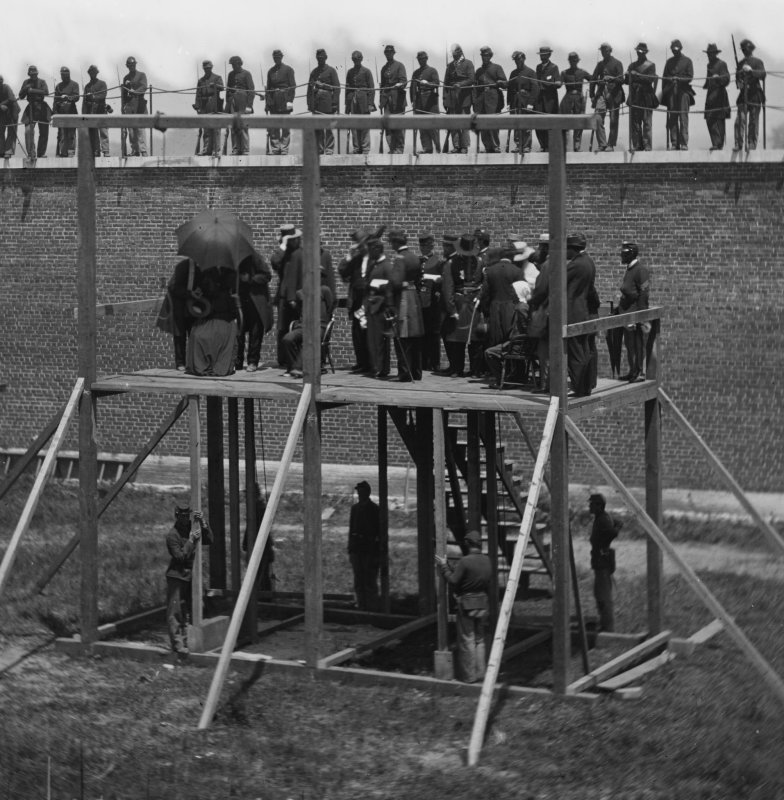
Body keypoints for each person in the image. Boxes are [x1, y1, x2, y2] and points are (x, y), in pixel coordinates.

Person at [436, 530, 491, 683]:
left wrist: (444, 566)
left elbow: (453, 580)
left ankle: (469, 677)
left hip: (467, 604)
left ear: (467, 544)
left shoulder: (465, 561)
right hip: (483, 603)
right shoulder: (487, 560)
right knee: (480, 640)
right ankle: (481, 673)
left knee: (467, 640)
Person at [165, 504, 212, 655]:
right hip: (177, 576)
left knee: (193, 608)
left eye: (187, 516)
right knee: (175, 612)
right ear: (177, 516)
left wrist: (203, 522)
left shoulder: (192, 527)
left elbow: (209, 539)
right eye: (182, 516)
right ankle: (178, 645)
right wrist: (191, 540)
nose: (185, 519)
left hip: (191, 576)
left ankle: (189, 641)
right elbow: (180, 556)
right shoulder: (173, 535)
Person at [280, 265, 335, 378]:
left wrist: (323, 320)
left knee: (310, 339)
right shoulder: (300, 293)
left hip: (319, 326)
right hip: (303, 326)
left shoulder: (325, 290)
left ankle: (299, 368)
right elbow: (299, 310)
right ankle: (294, 367)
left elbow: (330, 307)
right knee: (287, 339)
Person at [186, 265, 240, 376]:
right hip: (216, 318)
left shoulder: (227, 274)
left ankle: (206, 364)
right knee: (198, 335)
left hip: (219, 318)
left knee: (199, 334)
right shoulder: (208, 276)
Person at [338, 225, 377, 374]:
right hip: (356, 300)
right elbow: (343, 272)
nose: (361, 247)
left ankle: (372, 363)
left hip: (369, 299)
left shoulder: (374, 259)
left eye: (362, 244)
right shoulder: (356, 259)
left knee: (369, 331)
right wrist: (349, 255)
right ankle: (361, 362)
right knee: (357, 333)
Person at [388, 228, 424, 381]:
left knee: (402, 337)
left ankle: (404, 373)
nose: (391, 246)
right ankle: (417, 372)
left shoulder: (400, 258)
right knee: (415, 338)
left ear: (396, 243)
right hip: (414, 296)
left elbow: (396, 282)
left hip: (403, 298)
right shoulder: (414, 257)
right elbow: (419, 278)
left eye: (391, 243)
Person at [565, 233, 597, 397]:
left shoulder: (576, 265)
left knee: (576, 352)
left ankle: (578, 387)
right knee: (584, 351)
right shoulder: (588, 262)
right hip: (583, 310)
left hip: (573, 312)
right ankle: (585, 385)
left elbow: (558, 283)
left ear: (573, 249)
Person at [271, 225, 304, 367]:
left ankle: (296, 358)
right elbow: (274, 262)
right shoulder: (282, 254)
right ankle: (283, 359)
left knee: (298, 327)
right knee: (283, 328)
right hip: (284, 297)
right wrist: (283, 246)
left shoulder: (300, 253)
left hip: (299, 296)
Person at [617, 241, 650, 383]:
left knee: (638, 344)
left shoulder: (640, 270)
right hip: (627, 314)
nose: (621, 256)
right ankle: (632, 371)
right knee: (629, 345)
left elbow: (644, 293)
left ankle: (639, 373)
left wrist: (641, 317)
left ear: (630, 254)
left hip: (635, 314)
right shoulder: (630, 269)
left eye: (624, 254)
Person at [588, 493, 621, 633]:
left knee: (603, 596)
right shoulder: (601, 518)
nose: (589, 506)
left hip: (602, 562)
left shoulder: (603, 519)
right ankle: (604, 624)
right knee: (600, 594)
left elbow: (613, 532)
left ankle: (608, 628)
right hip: (600, 561)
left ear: (599, 506)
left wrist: (616, 528)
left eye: (592, 504)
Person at [235, 249, 273, 372]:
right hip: (241, 300)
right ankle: (238, 361)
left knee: (255, 332)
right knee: (239, 332)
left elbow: (267, 275)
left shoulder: (255, 257)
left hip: (255, 301)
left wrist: (250, 279)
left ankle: (252, 361)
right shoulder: (233, 259)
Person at [348, 480, 381, 611]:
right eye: (358, 492)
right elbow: (351, 529)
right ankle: (361, 605)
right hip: (357, 548)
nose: (359, 494)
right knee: (358, 579)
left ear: (367, 493)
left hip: (369, 549)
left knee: (370, 579)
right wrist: (350, 549)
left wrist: (377, 550)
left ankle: (372, 607)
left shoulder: (374, 509)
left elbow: (379, 531)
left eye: (362, 491)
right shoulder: (355, 509)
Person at [364, 235, 393, 378]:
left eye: (370, 250)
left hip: (381, 307)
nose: (369, 253)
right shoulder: (373, 265)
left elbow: (390, 286)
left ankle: (381, 368)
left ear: (377, 249)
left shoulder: (386, 266)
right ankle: (376, 366)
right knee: (373, 341)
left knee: (380, 341)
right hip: (372, 307)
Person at [590, 43, 625, 152]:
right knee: (598, 117)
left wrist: (612, 78)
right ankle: (602, 144)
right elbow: (593, 79)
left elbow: (622, 80)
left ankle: (611, 144)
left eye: (605, 50)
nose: (603, 52)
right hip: (601, 93)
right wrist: (592, 95)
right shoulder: (600, 64)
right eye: (602, 51)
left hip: (614, 94)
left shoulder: (617, 63)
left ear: (610, 51)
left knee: (613, 120)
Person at [242, 482, 276, 592]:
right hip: (261, 547)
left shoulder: (257, 509)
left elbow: (254, 529)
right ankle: (263, 596)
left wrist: (246, 544)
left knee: (260, 576)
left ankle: (263, 597)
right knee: (261, 576)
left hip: (260, 548)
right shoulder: (260, 507)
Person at [734, 39, 766, 153]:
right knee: (739, 120)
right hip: (743, 96)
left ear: (750, 49)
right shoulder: (740, 64)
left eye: (745, 49)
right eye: (743, 49)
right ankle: (738, 144)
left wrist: (751, 71)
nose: (744, 51)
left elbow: (763, 74)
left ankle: (752, 143)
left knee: (753, 121)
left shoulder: (758, 62)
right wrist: (739, 83)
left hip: (755, 95)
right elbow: (737, 81)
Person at [418, 232, 444, 371]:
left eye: (426, 246)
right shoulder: (418, 261)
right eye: (422, 246)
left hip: (433, 301)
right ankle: (423, 362)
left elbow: (442, 281)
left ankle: (434, 363)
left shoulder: (437, 261)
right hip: (420, 301)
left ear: (431, 246)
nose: (423, 249)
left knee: (433, 333)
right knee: (422, 333)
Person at [662, 40, 694, 150]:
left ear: (680, 49)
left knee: (683, 117)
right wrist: (664, 94)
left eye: (676, 49)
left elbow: (690, 76)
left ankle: (684, 143)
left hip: (684, 92)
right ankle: (674, 143)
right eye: (673, 50)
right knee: (673, 117)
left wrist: (679, 79)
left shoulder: (687, 61)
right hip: (671, 92)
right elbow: (664, 78)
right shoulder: (669, 62)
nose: (674, 51)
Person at [473, 46, 506, 153]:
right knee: (482, 125)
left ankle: (496, 147)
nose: (484, 57)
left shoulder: (497, 68)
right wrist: (475, 102)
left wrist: (500, 82)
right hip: (480, 101)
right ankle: (487, 147)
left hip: (493, 100)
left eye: (486, 55)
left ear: (490, 56)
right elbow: (475, 88)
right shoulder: (478, 71)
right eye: (483, 55)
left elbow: (505, 84)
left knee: (493, 124)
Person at [307, 49, 340, 155]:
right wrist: (310, 104)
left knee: (329, 127)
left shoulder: (331, 71)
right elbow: (309, 89)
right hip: (316, 103)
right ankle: (319, 149)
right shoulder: (314, 72)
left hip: (328, 102)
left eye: (322, 57)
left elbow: (337, 88)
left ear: (326, 58)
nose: (320, 59)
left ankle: (329, 149)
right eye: (318, 58)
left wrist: (334, 103)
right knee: (318, 127)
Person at [625, 43, 658, 152]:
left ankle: (647, 145)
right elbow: (626, 81)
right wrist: (628, 75)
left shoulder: (651, 65)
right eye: (638, 52)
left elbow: (650, 79)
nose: (639, 54)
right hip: (635, 96)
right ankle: (637, 145)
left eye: (641, 52)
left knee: (647, 122)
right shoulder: (632, 66)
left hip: (646, 96)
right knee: (635, 123)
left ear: (645, 52)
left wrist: (637, 75)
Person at [443, 44, 474, 154]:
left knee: (464, 123)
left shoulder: (468, 63)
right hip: (452, 98)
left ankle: (464, 146)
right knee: (453, 123)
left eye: (455, 52)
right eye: (452, 53)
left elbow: (471, 79)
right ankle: (456, 146)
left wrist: (460, 84)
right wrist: (445, 99)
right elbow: (446, 83)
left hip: (464, 97)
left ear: (460, 52)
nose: (453, 54)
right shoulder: (450, 66)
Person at [507, 51, 539, 154]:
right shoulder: (513, 73)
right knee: (516, 123)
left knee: (527, 124)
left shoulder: (530, 72)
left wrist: (531, 103)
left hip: (526, 101)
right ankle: (518, 145)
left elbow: (535, 88)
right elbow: (510, 89)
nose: (517, 62)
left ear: (524, 59)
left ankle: (526, 146)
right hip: (515, 101)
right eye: (516, 60)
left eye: (519, 59)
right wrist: (509, 103)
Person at [265, 49, 296, 155]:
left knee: (285, 126)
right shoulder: (270, 71)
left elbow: (292, 86)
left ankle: (284, 148)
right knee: (274, 126)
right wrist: (268, 103)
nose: (276, 59)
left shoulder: (288, 70)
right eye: (274, 57)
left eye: (278, 57)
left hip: (285, 99)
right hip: (274, 101)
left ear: (282, 57)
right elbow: (268, 89)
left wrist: (290, 101)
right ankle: (275, 148)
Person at [559, 52, 590, 152]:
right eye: (571, 60)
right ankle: (564, 145)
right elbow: (559, 83)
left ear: (577, 61)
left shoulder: (582, 72)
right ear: (569, 61)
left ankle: (577, 145)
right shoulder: (564, 73)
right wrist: (557, 82)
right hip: (568, 98)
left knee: (579, 121)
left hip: (579, 99)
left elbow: (593, 79)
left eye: (574, 60)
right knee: (564, 121)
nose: (573, 62)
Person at [345, 51, 375, 154]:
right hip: (353, 101)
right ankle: (357, 148)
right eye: (354, 59)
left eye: (357, 59)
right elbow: (347, 90)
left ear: (361, 59)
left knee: (365, 124)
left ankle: (365, 148)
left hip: (364, 100)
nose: (356, 61)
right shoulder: (350, 72)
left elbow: (371, 89)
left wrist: (370, 103)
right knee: (354, 125)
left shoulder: (367, 71)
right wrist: (347, 106)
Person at [379, 45, 407, 154]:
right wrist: (381, 101)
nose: (388, 54)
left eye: (390, 52)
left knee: (398, 124)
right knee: (388, 125)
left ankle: (399, 149)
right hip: (386, 100)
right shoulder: (383, 68)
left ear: (393, 53)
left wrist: (400, 84)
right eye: (386, 53)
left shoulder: (400, 65)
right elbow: (382, 87)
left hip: (398, 99)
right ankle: (391, 147)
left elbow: (404, 81)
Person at [702, 44, 730, 151]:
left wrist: (718, 78)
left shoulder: (722, 64)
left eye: (711, 54)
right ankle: (715, 143)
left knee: (719, 119)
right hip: (710, 95)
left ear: (715, 54)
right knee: (709, 118)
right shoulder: (709, 65)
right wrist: (706, 84)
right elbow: (708, 80)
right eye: (708, 54)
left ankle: (719, 144)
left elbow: (726, 79)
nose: (709, 56)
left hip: (719, 95)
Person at [410, 51, 439, 154]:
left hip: (430, 101)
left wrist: (428, 84)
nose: (421, 61)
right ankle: (427, 148)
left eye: (422, 59)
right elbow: (412, 88)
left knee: (432, 126)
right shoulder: (415, 73)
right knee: (422, 126)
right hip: (419, 101)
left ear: (426, 59)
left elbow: (436, 83)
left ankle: (438, 148)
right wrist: (413, 101)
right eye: (419, 59)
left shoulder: (432, 70)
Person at [19, 66, 51, 159]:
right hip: (31, 108)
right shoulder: (26, 82)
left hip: (42, 107)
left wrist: (32, 90)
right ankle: (31, 153)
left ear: (37, 73)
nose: (33, 75)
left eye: (35, 74)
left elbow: (46, 92)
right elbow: (21, 96)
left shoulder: (42, 82)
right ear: (29, 74)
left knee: (44, 131)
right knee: (28, 130)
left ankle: (41, 153)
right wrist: (26, 88)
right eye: (32, 74)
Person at [225, 55, 255, 155]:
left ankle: (245, 149)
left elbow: (251, 90)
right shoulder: (230, 74)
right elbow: (228, 91)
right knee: (233, 126)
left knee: (244, 126)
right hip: (232, 102)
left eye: (235, 64)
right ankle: (235, 149)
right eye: (232, 65)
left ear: (239, 64)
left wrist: (249, 106)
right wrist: (227, 106)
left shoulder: (247, 74)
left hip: (243, 102)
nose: (233, 66)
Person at [194, 60, 224, 156]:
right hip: (204, 106)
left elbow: (222, 87)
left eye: (208, 68)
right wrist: (198, 107)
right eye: (205, 68)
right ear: (203, 69)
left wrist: (215, 86)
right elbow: (198, 95)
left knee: (216, 127)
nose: (207, 70)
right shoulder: (201, 81)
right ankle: (206, 149)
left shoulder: (217, 78)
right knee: (206, 128)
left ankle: (216, 150)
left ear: (211, 68)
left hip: (215, 104)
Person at [534, 47, 561, 152]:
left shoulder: (554, 67)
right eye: (541, 54)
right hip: (539, 99)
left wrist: (554, 83)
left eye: (544, 54)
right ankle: (543, 145)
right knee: (539, 122)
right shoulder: (538, 67)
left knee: (550, 122)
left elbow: (558, 82)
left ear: (549, 55)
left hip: (550, 100)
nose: (542, 56)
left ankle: (550, 146)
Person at [121, 57, 148, 156]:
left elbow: (144, 87)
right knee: (131, 130)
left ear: (135, 65)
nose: (131, 67)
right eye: (130, 65)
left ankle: (143, 151)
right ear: (127, 66)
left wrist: (135, 92)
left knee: (140, 129)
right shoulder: (125, 78)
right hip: (129, 106)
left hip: (139, 105)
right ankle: (135, 150)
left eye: (133, 65)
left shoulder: (141, 75)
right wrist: (123, 106)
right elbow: (124, 94)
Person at [82, 65, 110, 157]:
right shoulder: (87, 86)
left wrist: (93, 97)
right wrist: (83, 115)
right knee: (93, 133)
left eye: (94, 72)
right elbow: (84, 102)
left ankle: (106, 151)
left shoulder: (102, 83)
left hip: (101, 110)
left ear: (96, 73)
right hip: (90, 112)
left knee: (103, 131)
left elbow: (103, 95)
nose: (92, 74)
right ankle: (96, 151)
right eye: (91, 72)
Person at [53, 67, 79, 157]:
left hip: (71, 112)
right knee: (62, 134)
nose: (63, 76)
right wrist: (54, 113)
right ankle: (63, 153)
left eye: (64, 74)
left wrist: (68, 97)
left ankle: (71, 153)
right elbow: (55, 100)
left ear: (68, 74)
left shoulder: (74, 84)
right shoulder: (58, 86)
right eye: (62, 75)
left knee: (71, 134)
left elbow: (77, 97)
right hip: (61, 113)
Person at [0, 75, 20, 158]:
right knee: (0, 131)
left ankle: (8, 150)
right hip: (2, 112)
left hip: (13, 111)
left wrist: (1, 104)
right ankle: (1, 151)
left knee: (11, 131)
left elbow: (11, 99)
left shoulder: (6, 87)